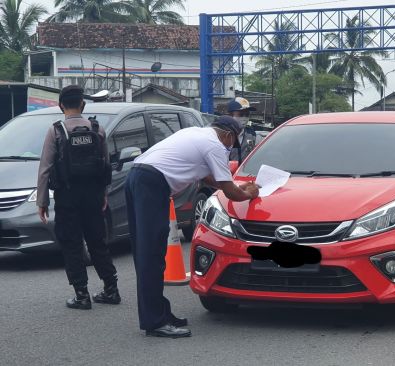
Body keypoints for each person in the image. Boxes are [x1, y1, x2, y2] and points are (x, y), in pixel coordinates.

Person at [125, 115, 259, 338]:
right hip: (152, 184)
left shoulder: (195, 134)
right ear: (227, 135)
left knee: (146, 252)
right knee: (151, 255)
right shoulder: (215, 145)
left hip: (138, 176)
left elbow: (210, 178)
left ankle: (159, 312)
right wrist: (248, 194)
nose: (230, 148)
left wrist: (238, 187)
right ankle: (154, 321)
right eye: (232, 143)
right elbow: (229, 191)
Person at [37, 85, 119, 310]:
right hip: (93, 195)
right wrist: (103, 194)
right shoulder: (97, 128)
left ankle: (81, 295)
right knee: (97, 242)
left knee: (72, 243)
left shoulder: (56, 131)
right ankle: (111, 289)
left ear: (61, 105)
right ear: (83, 104)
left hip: (67, 197)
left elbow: (45, 168)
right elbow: (105, 166)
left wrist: (42, 202)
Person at [226, 97, 258, 164]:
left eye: (247, 115)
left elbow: (250, 153)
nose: (244, 118)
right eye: (240, 114)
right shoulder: (222, 135)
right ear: (230, 115)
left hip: (242, 173)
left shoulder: (251, 134)